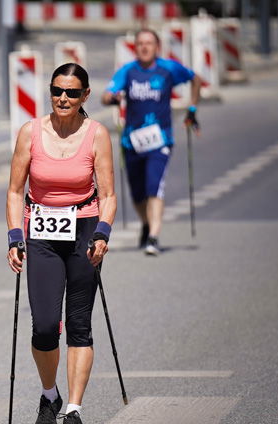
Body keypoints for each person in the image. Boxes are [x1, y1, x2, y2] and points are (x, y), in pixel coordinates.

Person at [6, 63, 117, 424]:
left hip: (84, 230)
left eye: (71, 92)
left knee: (79, 324)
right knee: (44, 324)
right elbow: (14, 191)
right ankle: (48, 394)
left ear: (85, 95)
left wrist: (102, 232)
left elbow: (109, 194)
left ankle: (73, 409)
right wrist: (13, 236)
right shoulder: (30, 133)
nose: (63, 99)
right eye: (57, 91)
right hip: (41, 232)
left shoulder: (97, 135)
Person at [101, 28, 201, 256]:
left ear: (157, 47)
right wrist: (111, 99)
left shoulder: (168, 69)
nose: (145, 47)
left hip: (160, 140)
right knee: (137, 194)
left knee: (154, 186)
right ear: (135, 48)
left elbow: (195, 79)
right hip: (132, 141)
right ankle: (146, 223)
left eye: (149, 43)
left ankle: (154, 236)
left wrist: (192, 107)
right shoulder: (128, 72)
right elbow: (106, 94)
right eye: (140, 44)